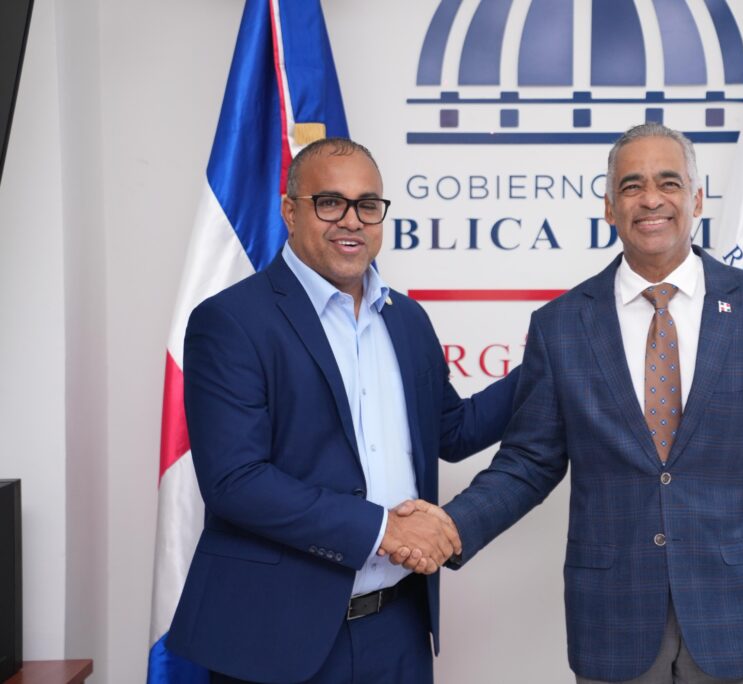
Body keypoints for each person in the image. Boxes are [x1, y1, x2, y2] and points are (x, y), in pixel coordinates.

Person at [395, 123, 743, 683]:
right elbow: (529, 463)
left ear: (696, 200)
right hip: (613, 619)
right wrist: (452, 526)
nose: (651, 199)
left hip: (734, 614)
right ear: (609, 208)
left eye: (669, 183)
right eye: (631, 185)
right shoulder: (561, 326)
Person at [166, 137, 518, 684]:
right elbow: (235, 480)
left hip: (399, 628)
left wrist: (550, 362)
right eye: (330, 202)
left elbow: (451, 430)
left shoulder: (407, 319)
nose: (351, 220)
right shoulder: (232, 321)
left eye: (367, 205)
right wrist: (382, 529)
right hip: (276, 636)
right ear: (290, 211)